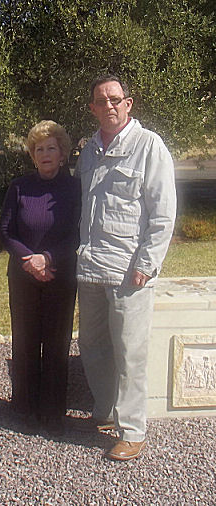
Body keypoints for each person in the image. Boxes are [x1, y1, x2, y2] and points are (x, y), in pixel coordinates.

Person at [74, 75, 177, 460]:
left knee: (130, 352)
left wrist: (147, 264)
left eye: (115, 99)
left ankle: (132, 430)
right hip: (92, 268)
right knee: (94, 346)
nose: (109, 105)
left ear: (129, 103)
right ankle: (106, 412)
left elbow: (163, 213)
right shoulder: (88, 152)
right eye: (101, 100)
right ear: (93, 108)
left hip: (129, 272)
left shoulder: (149, 147)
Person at [0, 120, 82, 435]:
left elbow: (77, 233)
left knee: (57, 341)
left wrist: (46, 258)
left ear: (62, 154)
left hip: (60, 274)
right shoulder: (19, 186)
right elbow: (6, 232)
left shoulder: (74, 188)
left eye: (51, 148)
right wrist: (29, 260)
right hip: (22, 276)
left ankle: (51, 409)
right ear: (32, 155)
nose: (45, 154)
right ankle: (23, 404)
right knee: (25, 339)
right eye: (39, 149)